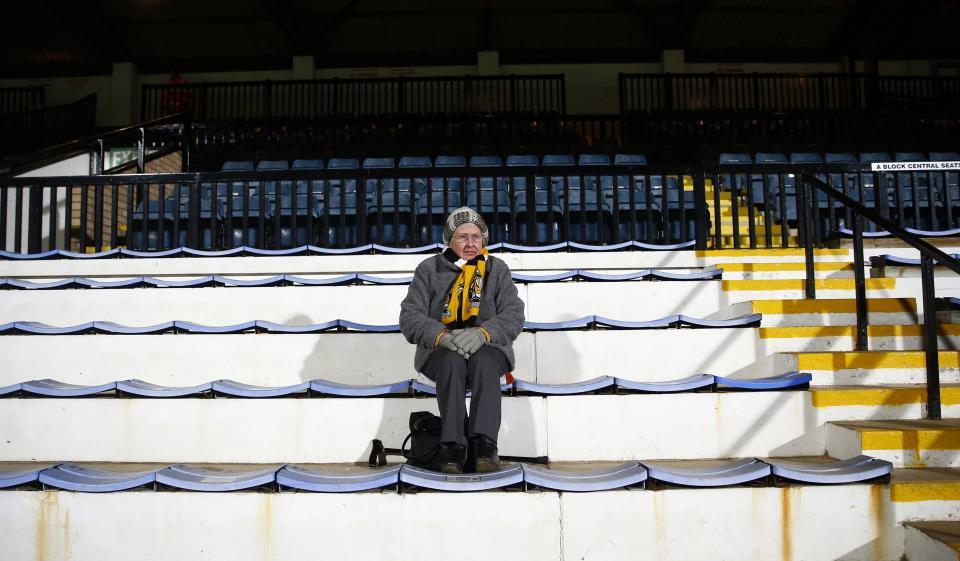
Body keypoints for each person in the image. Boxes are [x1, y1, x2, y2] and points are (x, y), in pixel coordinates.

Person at [399, 207, 525, 474]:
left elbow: (514, 314)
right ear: (449, 239)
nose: (470, 243)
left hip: (488, 346)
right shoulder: (429, 269)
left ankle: (484, 445)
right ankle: (452, 447)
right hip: (441, 350)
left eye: (476, 237)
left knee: (484, 362)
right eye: (462, 237)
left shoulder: (497, 269)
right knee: (451, 361)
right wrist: (441, 336)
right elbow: (410, 317)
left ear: (484, 240)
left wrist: (483, 333)